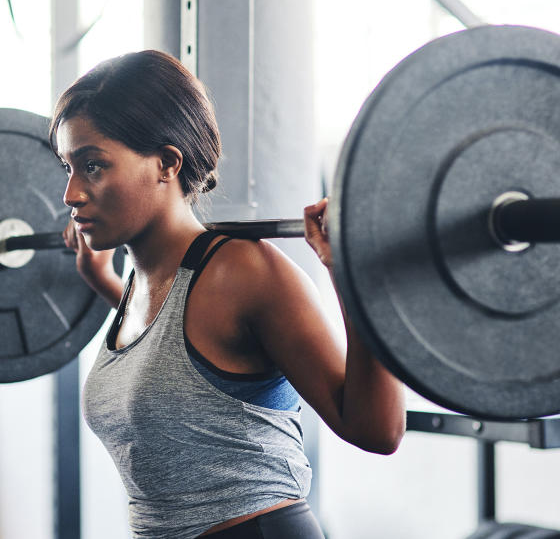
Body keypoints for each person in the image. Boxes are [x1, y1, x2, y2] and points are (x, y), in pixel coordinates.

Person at [53, 49, 405, 539]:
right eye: (66, 166)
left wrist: (359, 276)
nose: (71, 193)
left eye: (92, 166)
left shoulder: (243, 272)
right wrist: (103, 282)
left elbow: (376, 429)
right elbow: (175, 356)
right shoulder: (142, 282)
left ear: (166, 164)